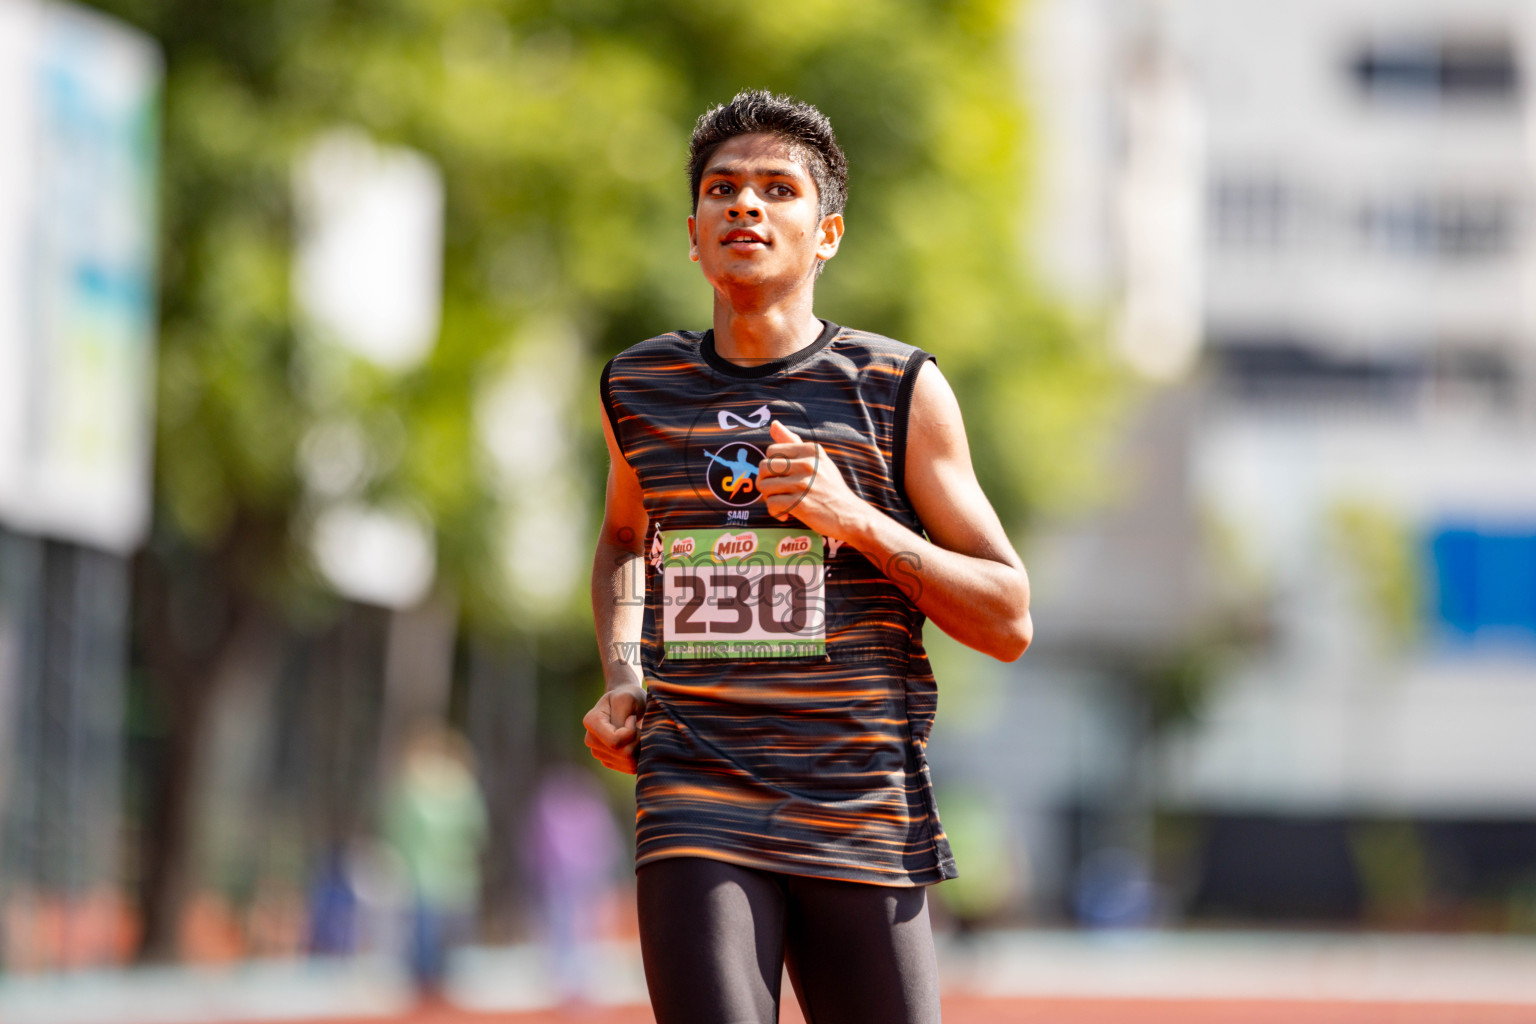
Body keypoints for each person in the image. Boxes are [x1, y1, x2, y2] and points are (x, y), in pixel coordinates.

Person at [584, 90, 1032, 1024]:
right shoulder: (639, 384)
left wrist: (855, 518)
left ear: (825, 232)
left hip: (858, 803)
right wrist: (623, 673)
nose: (745, 205)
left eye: (776, 189)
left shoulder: (899, 389)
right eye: (722, 189)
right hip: (695, 792)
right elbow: (627, 537)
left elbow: (1008, 617)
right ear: (695, 234)